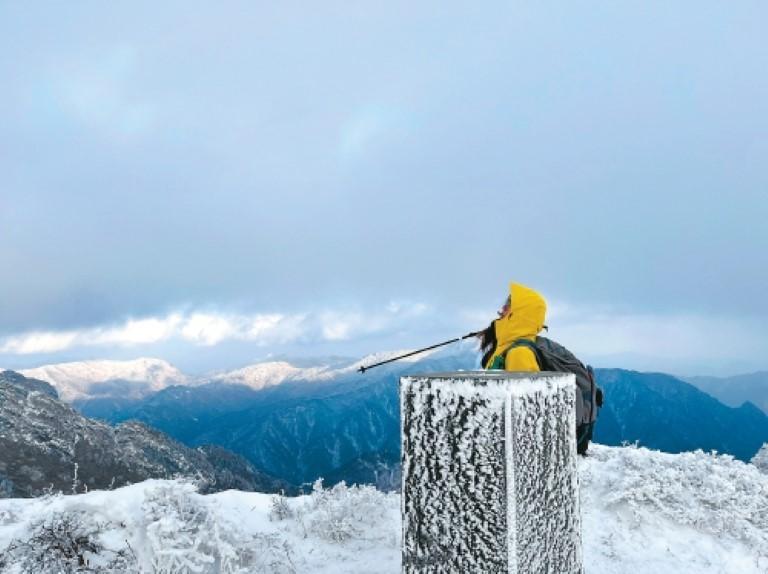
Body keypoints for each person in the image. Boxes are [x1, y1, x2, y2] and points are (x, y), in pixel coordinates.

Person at [479, 282, 547, 371]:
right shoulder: (506, 347)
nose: (503, 307)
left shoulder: (519, 354)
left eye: (509, 303)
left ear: (520, 314)